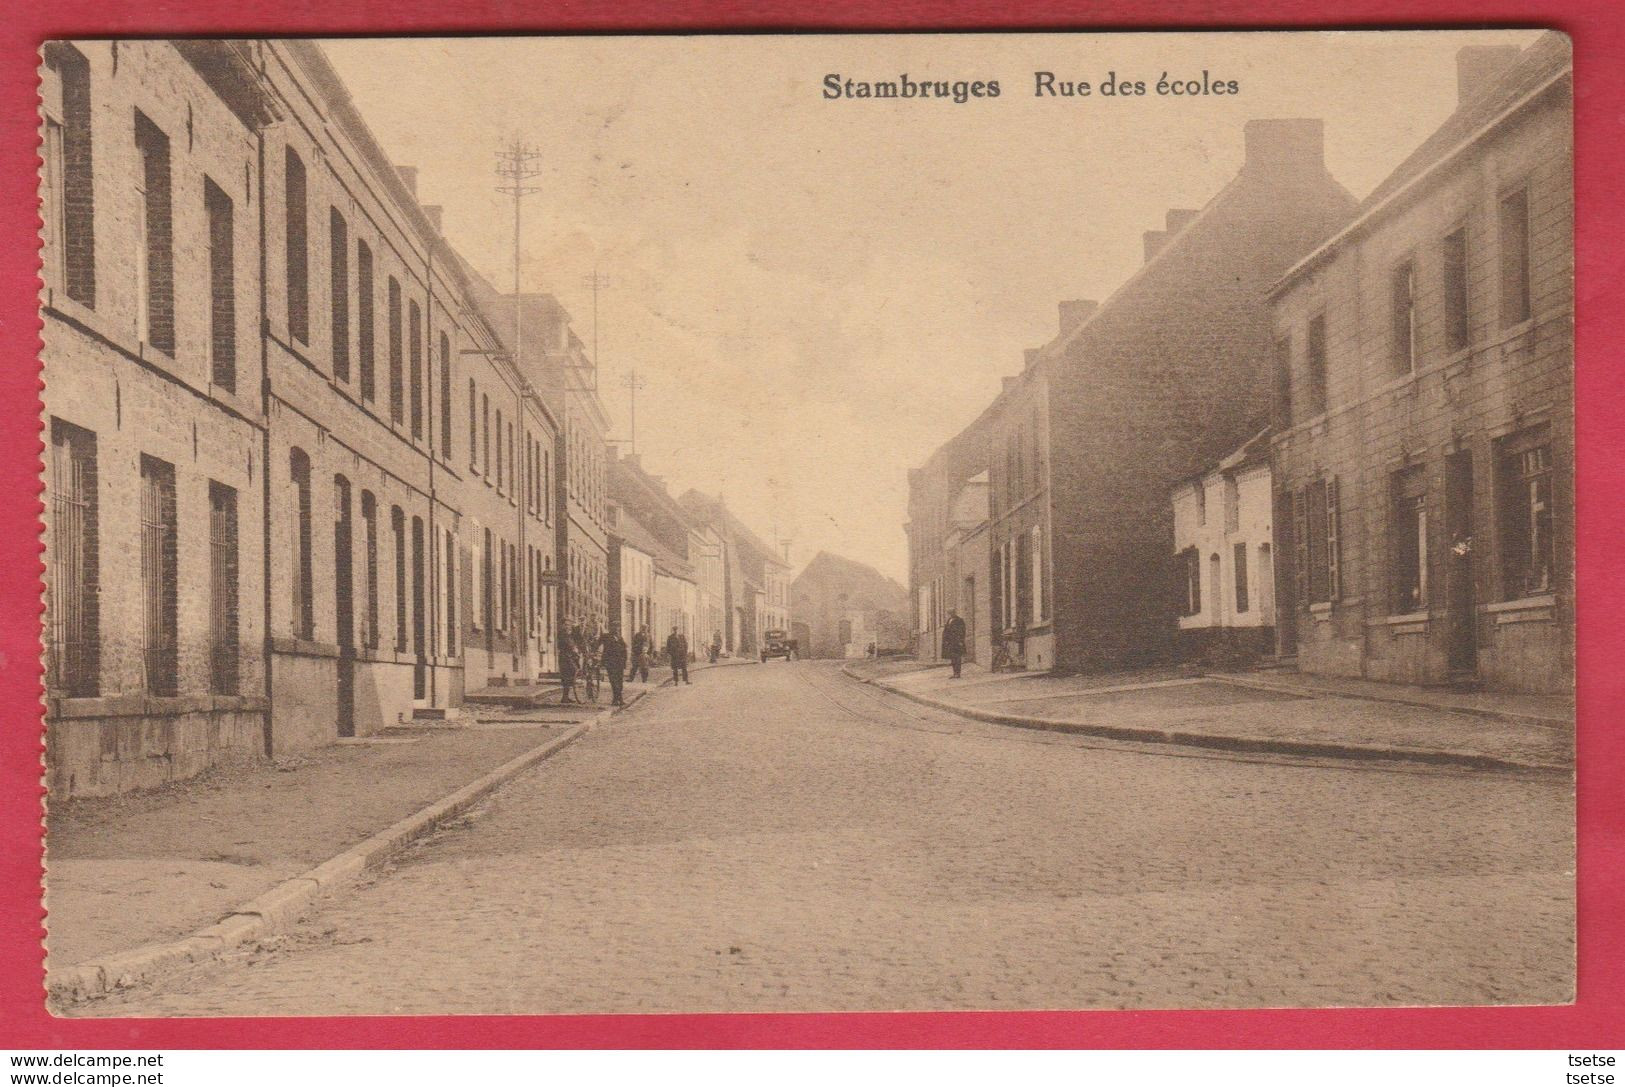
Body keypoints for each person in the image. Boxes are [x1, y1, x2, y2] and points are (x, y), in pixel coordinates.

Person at [599, 624, 629, 706]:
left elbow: (624, 649)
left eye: (618, 628)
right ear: (610, 628)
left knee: (619, 681)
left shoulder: (620, 638)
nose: (616, 629)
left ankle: (618, 699)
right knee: (613, 681)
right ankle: (617, 699)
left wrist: (624, 661)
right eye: (614, 627)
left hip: (620, 663)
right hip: (610, 662)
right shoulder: (606, 636)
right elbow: (597, 644)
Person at [941, 608, 968, 679]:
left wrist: (961, 641)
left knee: (957, 658)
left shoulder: (959, 620)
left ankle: (958, 673)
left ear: (954, 613)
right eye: (949, 613)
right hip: (950, 643)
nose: (950, 614)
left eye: (952, 613)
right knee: (953, 658)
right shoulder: (949, 620)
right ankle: (954, 673)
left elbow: (962, 631)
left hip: (957, 643)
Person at [558, 632, 579, 704]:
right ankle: (565, 697)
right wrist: (574, 650)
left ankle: (565, 697)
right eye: (566, 625)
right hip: (565, 659)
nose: (568, 628)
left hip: (568, 658)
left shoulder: (569, 636)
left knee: (569, 676)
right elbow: (569, 646)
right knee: (570, 674)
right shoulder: (563, 636)